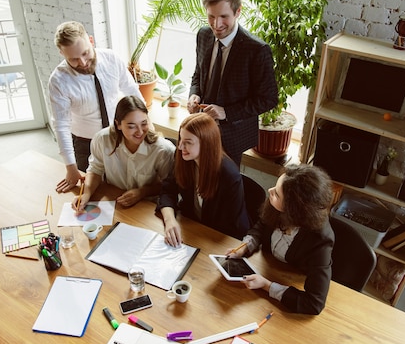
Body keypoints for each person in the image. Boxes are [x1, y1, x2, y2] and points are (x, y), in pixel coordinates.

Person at [226, 164, 335, 315]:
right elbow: (261, 226)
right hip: (267, 266)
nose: (270, 191)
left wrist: (267, 286)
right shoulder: (275, 207)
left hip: (289, 279)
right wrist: (246, 246)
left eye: (277, 194)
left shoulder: (320, 241)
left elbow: (314, 303)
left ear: (293, 210)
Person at [187, 0, 277, 166]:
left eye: (223, 17)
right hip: (200, 128)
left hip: (232, 136)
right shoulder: (203, 35)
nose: (216, 24)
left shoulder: (257, 50)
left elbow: (269, 99)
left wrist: (226, 112)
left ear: (238, 12)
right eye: (211, 16)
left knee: (224, 189)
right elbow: (198, 74)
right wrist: (194, 94)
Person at [49, 21, 143, 193]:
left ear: (91, 41)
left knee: (123, 188)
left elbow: (131, 90)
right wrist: (71, 167)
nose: (83, 62)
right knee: (92, 195)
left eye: (85, 53)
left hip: (120, 136)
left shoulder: (112, 58)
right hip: (86, 144)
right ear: (62, 53)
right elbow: (61, 125)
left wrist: (145, 125)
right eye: (74, 59)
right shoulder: (58, 81)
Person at [157, 112, 249, 246]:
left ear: (206, 144)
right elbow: (167, 191)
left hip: (218, 240)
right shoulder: (184, 158)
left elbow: (234, 229)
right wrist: (170, 220)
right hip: (191, 228)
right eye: (180, 139)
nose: (180, 147)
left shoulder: (229, 176)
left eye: (188, 142)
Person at [72, 96, 175, 212]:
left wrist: (142, 192)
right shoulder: (102, 140)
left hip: (148, 208)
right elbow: (95, 170)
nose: (140, 131)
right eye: (131, 126)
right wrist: (86, 195)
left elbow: (170, 187)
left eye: (144, 123)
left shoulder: (163, 150)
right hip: (116, 202)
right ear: (118, 124)